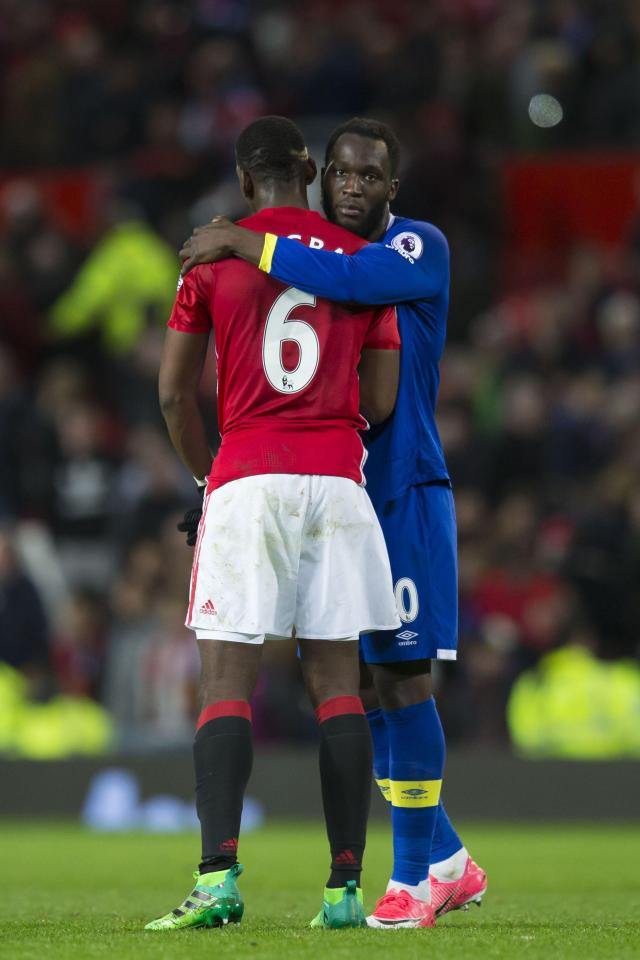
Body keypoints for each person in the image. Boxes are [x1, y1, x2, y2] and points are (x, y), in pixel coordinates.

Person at [179, 117, 488, 929]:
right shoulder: (326, 252)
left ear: (394, 187)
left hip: (402, 491)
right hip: (341, 489)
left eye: (369, 177)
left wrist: (249, 246)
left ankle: (416, 876)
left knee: (401, 679)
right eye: (342, 175)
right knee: (370, 692)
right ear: (321, 177)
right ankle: (447, 856)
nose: (353, 188)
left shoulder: (413, 249)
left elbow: (350, 281)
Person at [146, 116, 401, 932]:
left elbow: (173, 395)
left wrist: (207, 474)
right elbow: (384, 398)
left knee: (227, 683)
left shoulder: (213, 258)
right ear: (311, 172)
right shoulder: (361, 262)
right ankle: (344, 891)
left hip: (248, 475)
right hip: (336, 481)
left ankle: (218, 880)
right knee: (337, 685)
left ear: (246, 181)